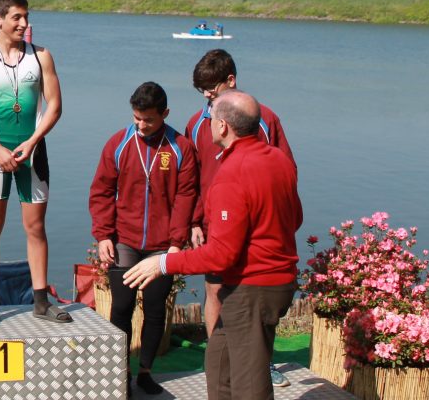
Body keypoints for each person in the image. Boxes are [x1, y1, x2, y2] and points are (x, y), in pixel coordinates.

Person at [124, 90, 302, 400]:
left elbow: (221, 255)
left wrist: (163, 263)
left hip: (254, 287)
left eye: (210, 119)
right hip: (274, 283)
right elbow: (295, 218)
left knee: (249, 384)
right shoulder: (279, 160)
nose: (206, 125)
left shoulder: (230, 174)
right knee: (219, 361)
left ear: (222, 127)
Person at [185, 49, 294, 387]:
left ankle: (259, 360)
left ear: (231, 81)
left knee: (251, 300)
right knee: (215, 290)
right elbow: (192, 177)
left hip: (255, 234)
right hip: (214, 225)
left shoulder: (263, 120)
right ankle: (220, 360)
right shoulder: (197, 123)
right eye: (201, 90)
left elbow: (287, 172)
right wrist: (194, 222)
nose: (207, 96)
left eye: (212, 88)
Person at [0, 0, 69, 327]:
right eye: (17, 18)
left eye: (26, 17)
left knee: (35, 227)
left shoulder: (42, 57)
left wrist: (33, 140)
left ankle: (40, 300)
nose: (25, 23)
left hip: (32, 155)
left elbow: (55, 106)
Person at [88, 82, 197, 396]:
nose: (141, 125)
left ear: (165, 114)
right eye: (136, 118)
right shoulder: (119, 143)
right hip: (124, 239)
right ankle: (119, 370)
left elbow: (186, 196)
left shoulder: (179, 147)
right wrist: (103, 235)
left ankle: (146, 372)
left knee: (154, 307)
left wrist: (177, 243)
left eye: (148, 119)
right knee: (121, 306)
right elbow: (102, 191)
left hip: (163, 244)